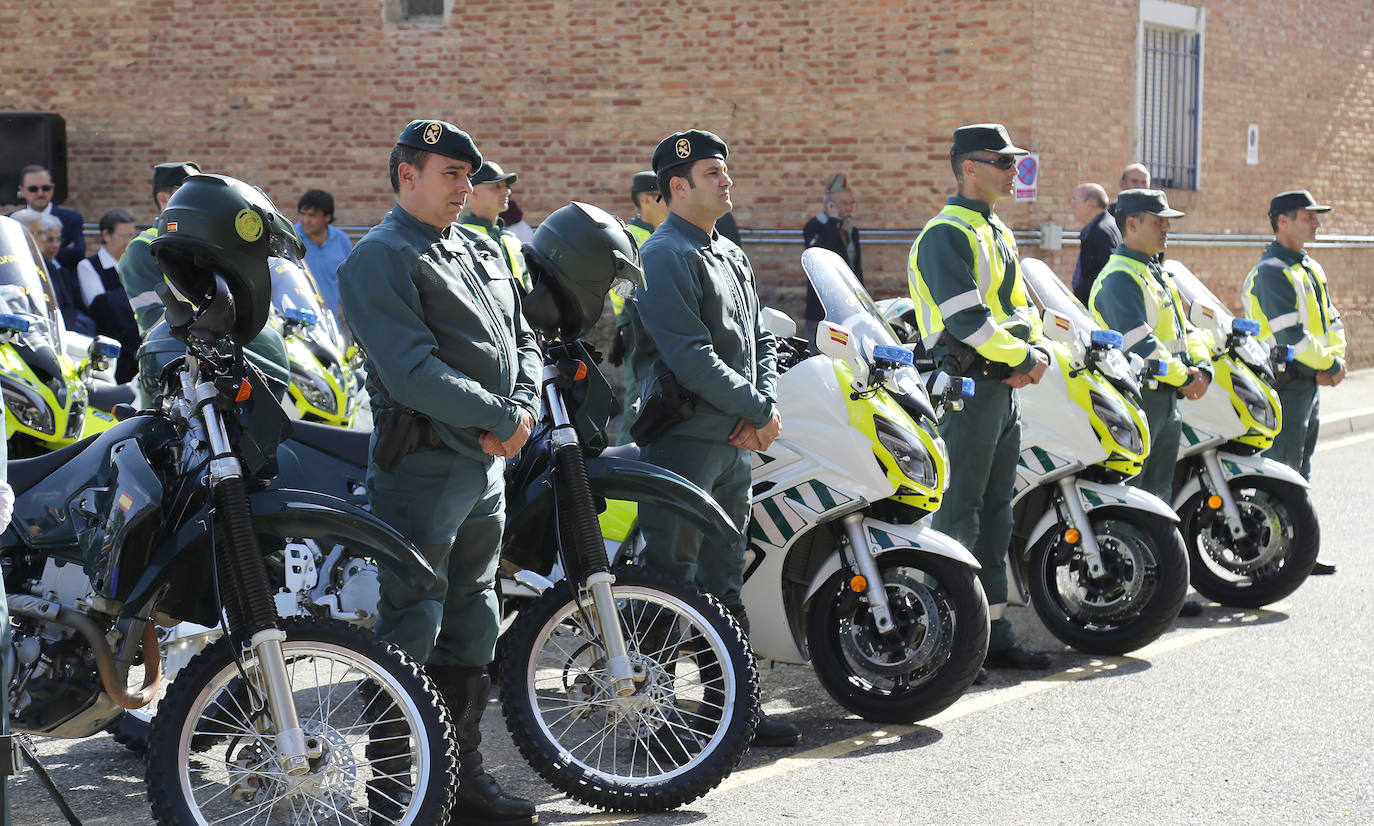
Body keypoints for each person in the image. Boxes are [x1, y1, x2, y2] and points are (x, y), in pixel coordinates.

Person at [337, 119, 540, 825]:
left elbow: (524, 337)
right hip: (424, 466)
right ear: (407, 176)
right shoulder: (380, 258)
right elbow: (410, 369)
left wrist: (520, 405)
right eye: (449, 175)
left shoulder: (476, 248)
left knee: (472, 621)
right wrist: (498, 414)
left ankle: (459, 778)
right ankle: (397, 788)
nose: (464, 188)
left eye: (467, 176)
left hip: (484, 465)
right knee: (411, 622)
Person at [628, 129, 797, 747]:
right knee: (667, 575)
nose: (727, 180)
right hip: (686, 440)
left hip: (732, 440)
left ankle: (734, 712)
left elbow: (759, 345)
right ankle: (648, 716)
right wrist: (757, 407)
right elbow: (689, 354)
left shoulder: (727, 250)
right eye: (712, 173)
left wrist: (765, 404)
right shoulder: (665, 254)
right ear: (678, 186)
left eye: (726, 170)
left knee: (725, 574)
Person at [908, 123, 1051, 671]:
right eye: (1002, 161)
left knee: (996, 514)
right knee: (958, 513)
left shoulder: (994, 229)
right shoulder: (948, 234)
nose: (1013, 170)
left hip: (1001, 386)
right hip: (968, 390)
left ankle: (990, 631)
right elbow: (967, 319)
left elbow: (1023, 311)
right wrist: (1024, 358)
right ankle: (943, 637)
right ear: (969, 167)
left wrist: (1032, 354)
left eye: (1012, 161)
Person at [1241, 190, 1345, 575]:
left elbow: (1332, 320)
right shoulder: (1272, 272)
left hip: (1309, 380)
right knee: (1278, 470)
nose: (1316, 222)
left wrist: (1335, 361)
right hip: (1286, 382)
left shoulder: (1308, 267)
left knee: (1300, 468)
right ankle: (1265, 557)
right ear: (1282, 220)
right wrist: (1329, 363)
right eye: (1308, 216)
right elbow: (1291, 337)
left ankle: (1299, 546)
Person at [1089, 189, 1211, 504]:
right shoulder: (1120, 279)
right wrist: (1186, 378)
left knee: (1159, 496)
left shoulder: (1157, 274)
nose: (1167, 228)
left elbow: (1187, 332)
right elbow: (1141, 345)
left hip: (1166, 400)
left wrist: (1203, 369)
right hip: (1140, 401)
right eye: (1159, 222)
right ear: (1132, 224)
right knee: (1136, 500)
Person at [609, 170, 667, 442]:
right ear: (647, 199)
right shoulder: (628, 237)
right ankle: (624, 463)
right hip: (639, 331)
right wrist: (624, 326)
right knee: (637, 404)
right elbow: (622, 289)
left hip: (663, 332)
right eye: (664, 196)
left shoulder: (664, 234)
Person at [119, 161, 202, 334]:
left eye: (200, 193)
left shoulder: (208, 242)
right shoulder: (141, 249)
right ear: (164, 198)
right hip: (175, 356)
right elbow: (153, 322)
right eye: (189, 192)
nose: (200, 200)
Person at [75, 208, 140, 381]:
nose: (129, 242)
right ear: (106, 235)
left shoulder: (133, 267)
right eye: (123, 236)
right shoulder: (88, 266)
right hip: (110, 352)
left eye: (131, 236)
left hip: (137, 348)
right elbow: (101, 306)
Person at [803, 173, 862, 350]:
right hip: (822, 309)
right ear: (829, 204)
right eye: (843, 203)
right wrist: (833, 220)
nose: (849, 208)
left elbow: (855, 266)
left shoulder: (851, 229)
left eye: (851, 203)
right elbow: (818, 252)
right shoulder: (814, 226)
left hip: (848, 308)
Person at [12, 209, 95, 337]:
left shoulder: (48, 266)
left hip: (53, 332)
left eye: (44, 233)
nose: (44, 239)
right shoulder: (8, 264)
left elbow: (65, 305)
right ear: (19, 234)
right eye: (39, 233)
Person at [460, 160, 530, 291]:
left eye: (507, 185)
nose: (507, 191)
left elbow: (527, 285)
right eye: (497, 186)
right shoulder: (460, 240)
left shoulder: (512, 239)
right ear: (473, 192)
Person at [294, 188, 352, 323]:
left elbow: (350, 280)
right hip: (300, 320)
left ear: (327, 217)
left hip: (334, 321)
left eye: (312, 215)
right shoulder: (291, 238)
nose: (305, 220)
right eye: (302, 214)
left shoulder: (342, 240)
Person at [13, 164, 84, 269]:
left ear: (53, 188)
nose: (40, 193)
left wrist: (30, 251)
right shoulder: (12, 221)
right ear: (22, 190)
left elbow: (77, 253)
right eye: (33, 189)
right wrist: (56, 251)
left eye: (45, 188)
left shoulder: (72, 218)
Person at [1070, 183, 1121, 305]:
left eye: (1075, 201)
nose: (1072, 206)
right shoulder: (1105, 223)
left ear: (1090, 204)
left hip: (1095, 307)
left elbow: (1106, 272)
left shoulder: (1102, 231)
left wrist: (1080, 293)